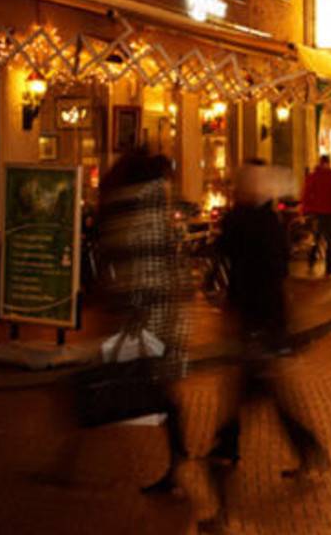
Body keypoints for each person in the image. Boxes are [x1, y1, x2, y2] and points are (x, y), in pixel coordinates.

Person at [205, 162, 327, 530]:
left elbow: (232, 259)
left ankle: (225, 467)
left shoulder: (248, 221)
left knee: (250, 399)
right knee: (270, 397)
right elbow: (275, 269)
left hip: (256, 325)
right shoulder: (265, 221)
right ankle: (305, 448)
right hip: (263, 324)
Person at [96, 150, 188, 496]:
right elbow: (154, 261)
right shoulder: (149, 207)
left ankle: (177, 458)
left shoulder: (128, 207)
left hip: (144, 316)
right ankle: (178, 457)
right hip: (155, 314)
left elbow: (128, 264)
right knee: (153, 389)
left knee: (146, 389)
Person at [301, 155, 331, 276]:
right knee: (328, 240)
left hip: (319, 212)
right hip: (327, 212)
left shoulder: (315, 176)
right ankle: (328, 266)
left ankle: (314, 260)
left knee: (318, 238)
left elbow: (307, 193)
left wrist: (306, 208)